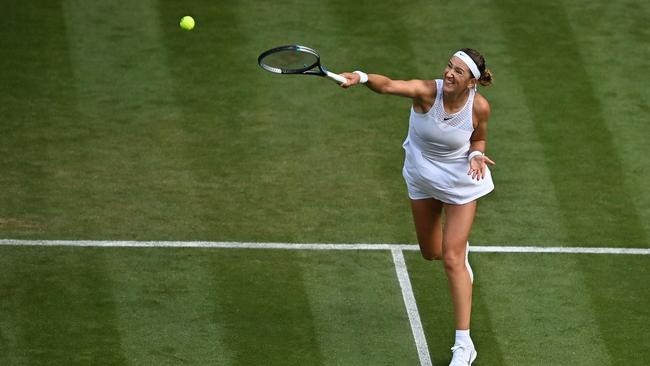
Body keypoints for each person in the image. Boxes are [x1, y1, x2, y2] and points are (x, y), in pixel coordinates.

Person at [340, 48, 495, 366]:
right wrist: (362, 77)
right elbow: (388, 85)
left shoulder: (479, 107)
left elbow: (478, 139)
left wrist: (475, 156)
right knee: (431, 252)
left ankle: (464, 345)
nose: (449, 74)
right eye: (448, 67)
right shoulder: (427, 92)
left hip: (461, 181)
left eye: (458, 72)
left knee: (452, 259)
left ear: (471, 82)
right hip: (422, 176)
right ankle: (459, 257)